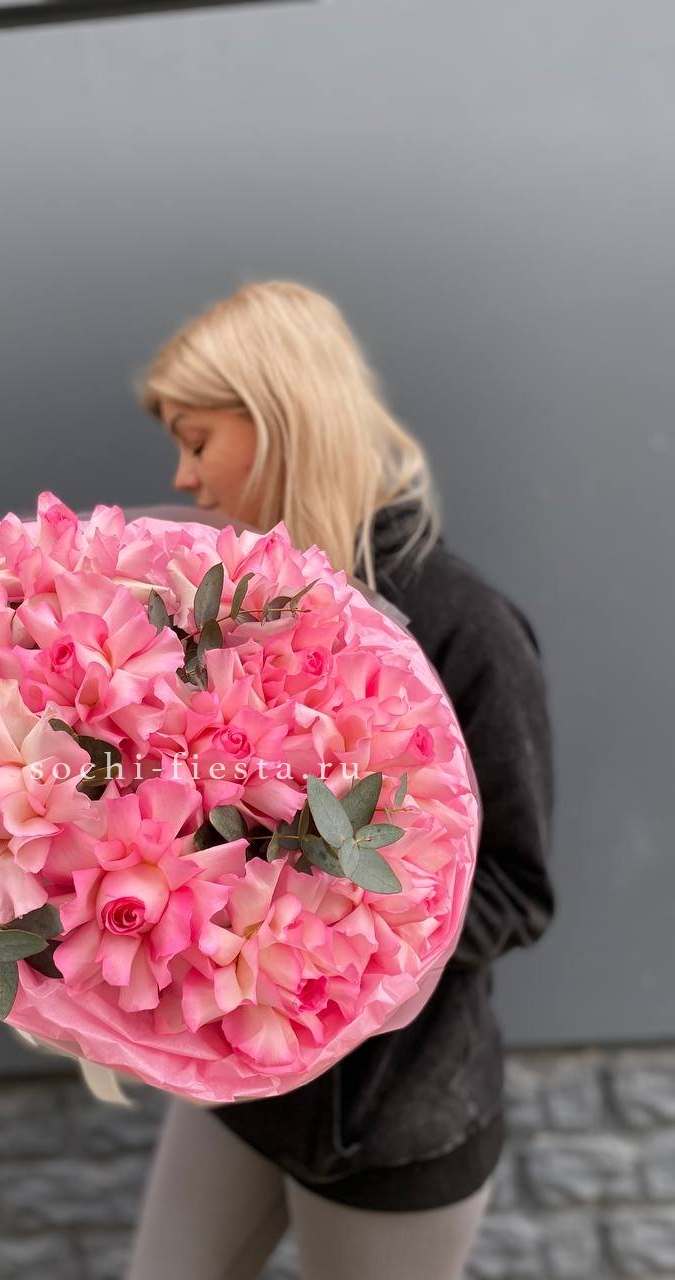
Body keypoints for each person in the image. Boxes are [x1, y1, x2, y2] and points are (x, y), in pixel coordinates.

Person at [123, 280, 557, 1279]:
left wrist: (326, 936)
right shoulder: (238, 608)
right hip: (240, 1094)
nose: (183, 477)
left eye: (197, 439)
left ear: (278, 419)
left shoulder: (467, 629)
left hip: (393, 1127)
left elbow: (518, 889)